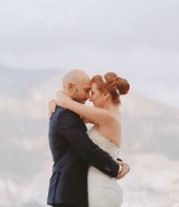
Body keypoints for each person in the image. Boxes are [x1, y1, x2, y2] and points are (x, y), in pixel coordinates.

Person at [47, 70, 130, 207]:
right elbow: (89, 150)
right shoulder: (66, 115)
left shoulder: (103, 116)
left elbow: (90, 150)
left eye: (92, 92)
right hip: (69, 192)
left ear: (105, 95)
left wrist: (59, 97)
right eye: (87, 91)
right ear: (71, 87)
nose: (89, 98)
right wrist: (117, 168)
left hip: (90, 190)